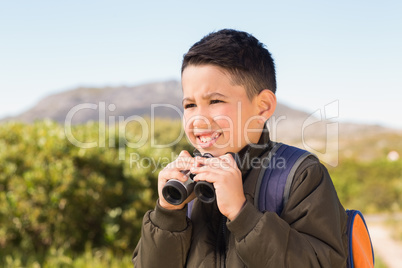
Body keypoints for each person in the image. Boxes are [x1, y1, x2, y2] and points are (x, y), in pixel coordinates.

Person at [132, 29, 348, 267]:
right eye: (190, 105)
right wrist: (167, 214)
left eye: (215, 101)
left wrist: (242, 214)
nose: (198, 119)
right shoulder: (184, 184)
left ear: (263, 106)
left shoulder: (300, 175)